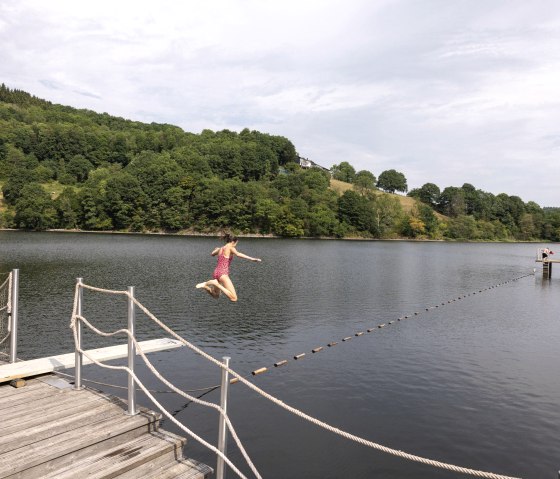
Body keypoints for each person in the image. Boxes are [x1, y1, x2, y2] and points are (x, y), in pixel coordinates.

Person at [196, 233, 261, 302]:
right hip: (223, 273)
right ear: (233, 242)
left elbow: (212, 254)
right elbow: (238, 254)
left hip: (216, 273)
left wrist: (217, 249)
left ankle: (205, 287)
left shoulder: (221, 248)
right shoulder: (230, 247)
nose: (236, 245)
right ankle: (215, 283)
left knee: (216, 295)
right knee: (234, 298)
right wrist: (252, 258)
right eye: (236, 243)